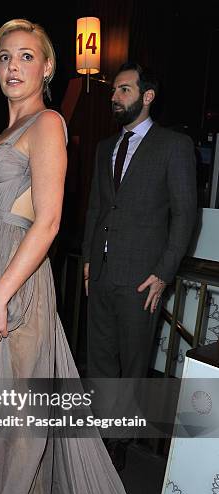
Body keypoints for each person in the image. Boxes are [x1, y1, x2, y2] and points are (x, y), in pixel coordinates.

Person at [0, 20, 218, 494]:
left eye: (27, 57)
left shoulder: (50, 124)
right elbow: (20, 205)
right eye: (5, 57)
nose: (14, 66)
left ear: (47, 69)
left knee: (14, 419)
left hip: (13, 285)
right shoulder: (9, 128)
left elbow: (48, 220)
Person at [81, 62, 197, 470]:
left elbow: (185, 214)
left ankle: (118, 444)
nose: (115, 97)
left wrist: (165, 272)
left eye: (124, 90)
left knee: (132, 363)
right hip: (104, 271)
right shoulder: (104, 148)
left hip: (142, 278)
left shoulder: (173, 146)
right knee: (99, 359)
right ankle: (97, 434)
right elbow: (97, 206)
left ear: (147, 96)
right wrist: (89, 259)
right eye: (114, 91)